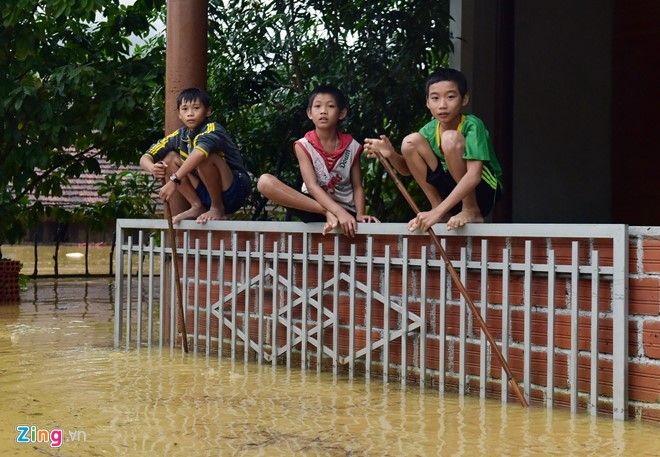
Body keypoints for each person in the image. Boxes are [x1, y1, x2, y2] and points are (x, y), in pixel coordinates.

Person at [364, 68, 502, 231]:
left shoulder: (472, 125)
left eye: (450, 97)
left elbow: (474, 175)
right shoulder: (429, 130)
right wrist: (391, 155)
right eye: (435, 98)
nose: (442, 105)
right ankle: (441, 209)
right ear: (428, 102)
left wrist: (437, 212)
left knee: (450, 139)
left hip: (482, 191)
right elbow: (407, 169)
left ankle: (470, 209)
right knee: (410, 142)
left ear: (464, 99)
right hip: (451, 194)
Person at [257, 84, 378, 237]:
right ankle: (328, 212)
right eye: (318, 106)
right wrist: (332, 211)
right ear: (309, 113)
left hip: (347, 211)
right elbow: (312, 186)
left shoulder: (352, 146)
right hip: (314, 206)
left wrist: (360, 214)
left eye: (331, 106)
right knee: (264, 182)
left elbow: (357, 186)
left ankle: (333, 213)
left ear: (342, 113)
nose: (323, 111)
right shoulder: (303, 145)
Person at [140, 87, 251, 224]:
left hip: (234, 190)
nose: (190, 114)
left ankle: (217, 207)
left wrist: (174, 180)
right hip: (205, 193)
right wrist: (152, 168)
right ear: (179, 114)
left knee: (204, 157)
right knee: (169, 158)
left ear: (208, 111)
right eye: (184, 109)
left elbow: (199, 153)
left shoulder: (213, 129)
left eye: (196, 108)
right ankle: (197, 206)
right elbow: (145, 157)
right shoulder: (178, 136)